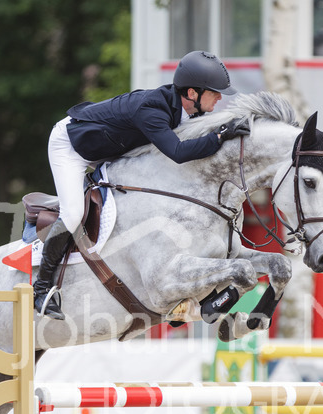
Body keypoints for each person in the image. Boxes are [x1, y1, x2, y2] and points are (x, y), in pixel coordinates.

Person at [33, 51, 248, 320]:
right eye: (215, 92)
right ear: (192, 93)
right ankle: (40, 289)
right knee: (73, 213)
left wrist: (227, 131)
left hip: (112, 149)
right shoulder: (152, 110)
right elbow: (179, 152)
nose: (220, 97)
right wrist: (219, 136)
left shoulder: (188, 112)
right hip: (72, 147)